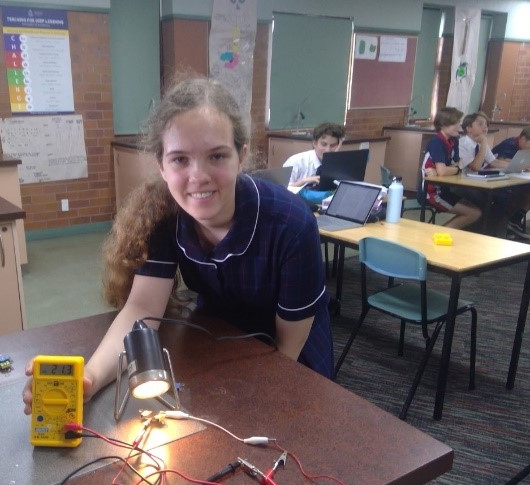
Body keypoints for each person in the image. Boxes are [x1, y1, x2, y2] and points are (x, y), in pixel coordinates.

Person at [22, 77, 333, 412]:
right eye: (180, 159)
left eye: (216, 156)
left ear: (241, 157)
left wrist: (251, 404)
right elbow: (141, 310)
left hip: (290, 359)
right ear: (161, 165)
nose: (198, 176)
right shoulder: (165, 216)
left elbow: (288, 347)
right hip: (219, 341)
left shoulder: (291, 224)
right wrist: (91, 377)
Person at [421, 107, 482, 230]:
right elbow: (445, 170)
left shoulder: (454, 140)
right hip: (432, 192)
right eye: (456, 123)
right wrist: (455, 169)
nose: (460, 126)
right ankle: (439, 235)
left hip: (444, 189)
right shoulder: (437, 142)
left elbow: (457, 163)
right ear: (444, 125)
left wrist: (449, 169)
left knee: (477, 207)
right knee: (474, 213)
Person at [491, 125, 530, 239]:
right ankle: (506, 221)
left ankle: (515, 219)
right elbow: (502, 160)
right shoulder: (510, 144)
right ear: (523, 139)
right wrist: (524, 165)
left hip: (514, 178)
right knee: (526, 191)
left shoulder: (529, 147)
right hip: (496, 178)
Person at [283, 122, 346, 208]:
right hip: (297, 206)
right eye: (323, 144)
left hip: (327, 207)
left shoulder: (339, 163)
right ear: (314, 143)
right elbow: (282, 189)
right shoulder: (296, 161)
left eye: (333, 145)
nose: (328, 150)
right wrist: (304, 181)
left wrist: (335, 158)